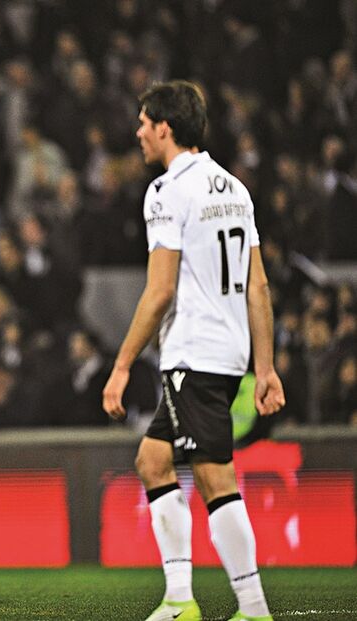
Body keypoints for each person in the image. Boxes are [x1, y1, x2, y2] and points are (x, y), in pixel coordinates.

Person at [102, 81, 285, 621]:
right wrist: (265, 367)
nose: (136, 132)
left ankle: (253, 606)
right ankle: (180, 599)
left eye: (143, 122)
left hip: (194, 352)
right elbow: (258, 286)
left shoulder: (166, 191)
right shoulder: (234, 188)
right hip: (227, 350)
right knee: (153, 460)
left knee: (213, 476)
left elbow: (160, 291)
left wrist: (120, 365)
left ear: (165, 126)